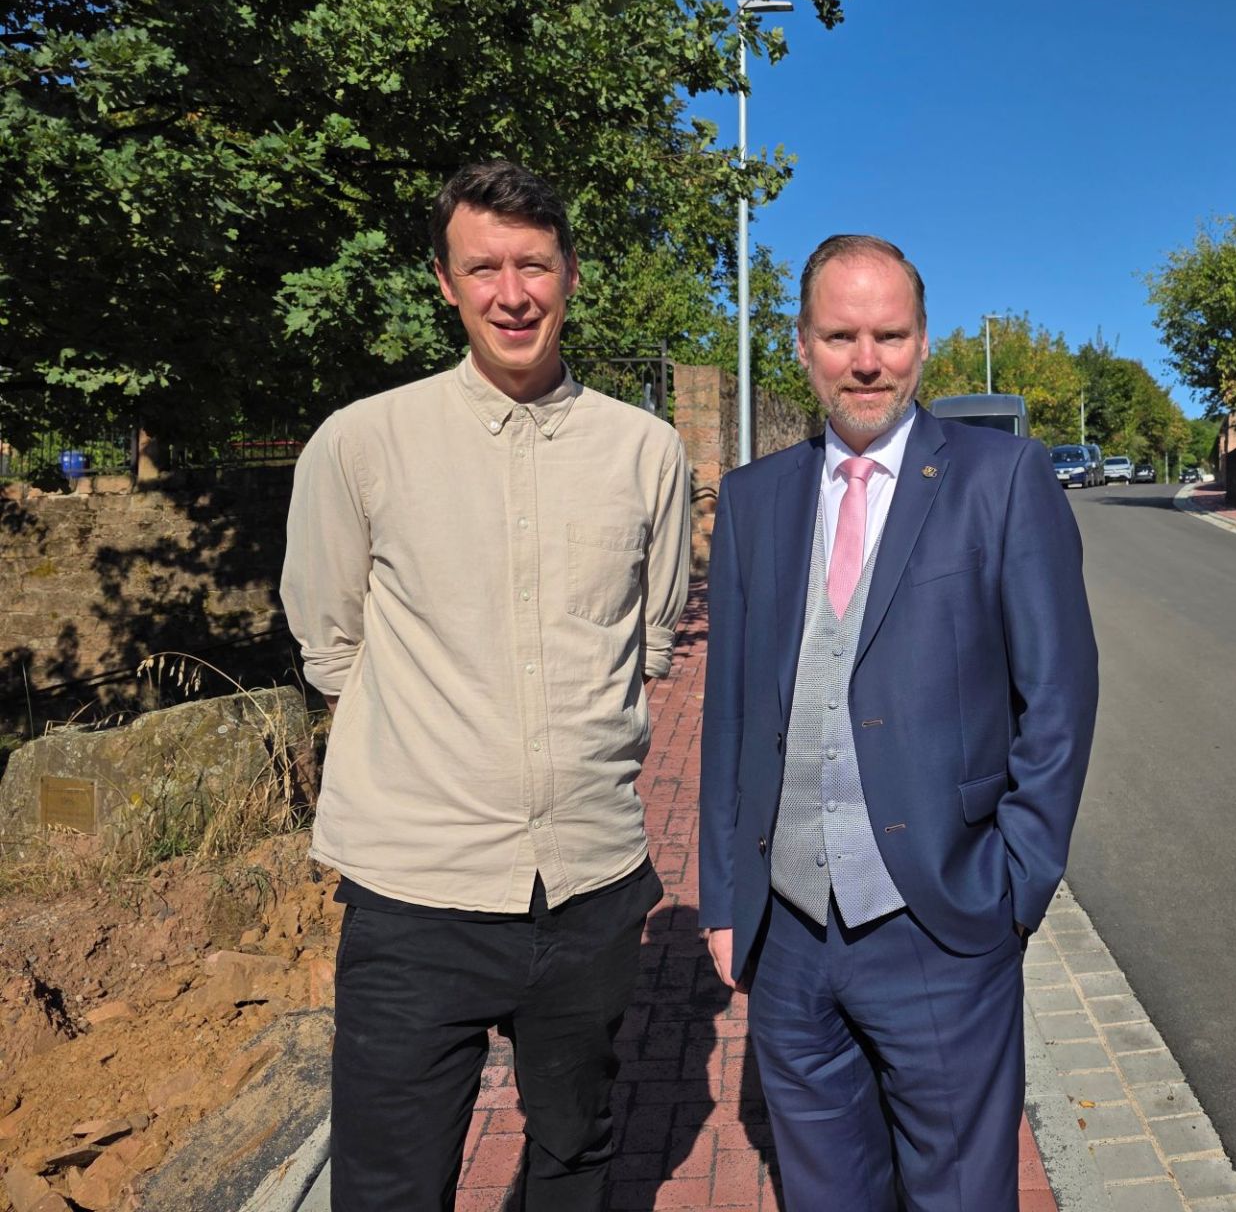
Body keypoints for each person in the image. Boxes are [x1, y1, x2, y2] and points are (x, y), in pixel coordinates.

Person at [282, 160, 689, 1210]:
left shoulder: (647, 453)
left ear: (572, 276)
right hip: (417, 900)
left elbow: (647, 646)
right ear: (444, 282)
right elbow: (330, 647)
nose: (513, 293)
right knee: (388, 1184)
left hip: (589, 892)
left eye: (534, 266)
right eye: (485, 267)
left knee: (574, 1158)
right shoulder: (361, 444)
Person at [698, 234, 1098, 1210]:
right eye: (841, 335)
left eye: (889, 334)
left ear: (924, 343)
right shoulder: (755, 502)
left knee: (959, 1195)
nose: (865, 359)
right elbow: (732, 712)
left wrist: (1015, 884)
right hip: (788, 937)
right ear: (801, 345)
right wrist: (722, 897)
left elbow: (1059, 699)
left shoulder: (1003, 480)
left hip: (944, 925)